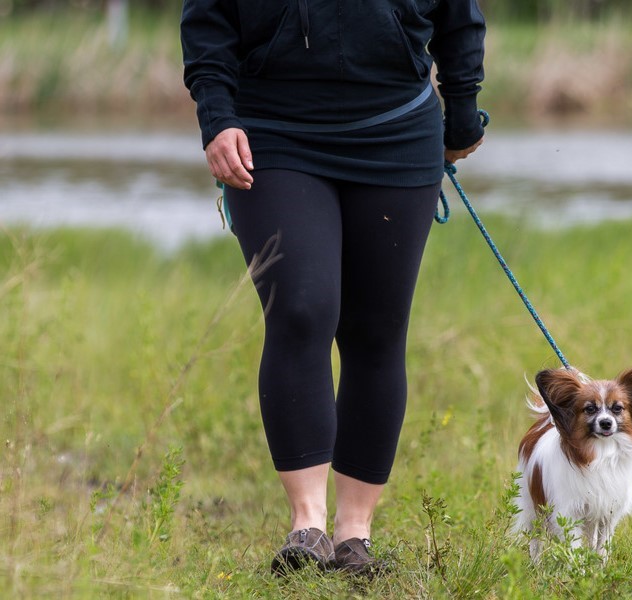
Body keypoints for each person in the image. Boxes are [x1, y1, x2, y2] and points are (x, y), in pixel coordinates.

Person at [180, 0, 486, 576]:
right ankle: (307, 526)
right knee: (300, 308)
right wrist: (216, 117)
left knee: (376, 330)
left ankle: (354, 536)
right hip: (271, 131)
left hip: (396, 128)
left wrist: (464, 108)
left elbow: (459, 15)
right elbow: (208, 20)